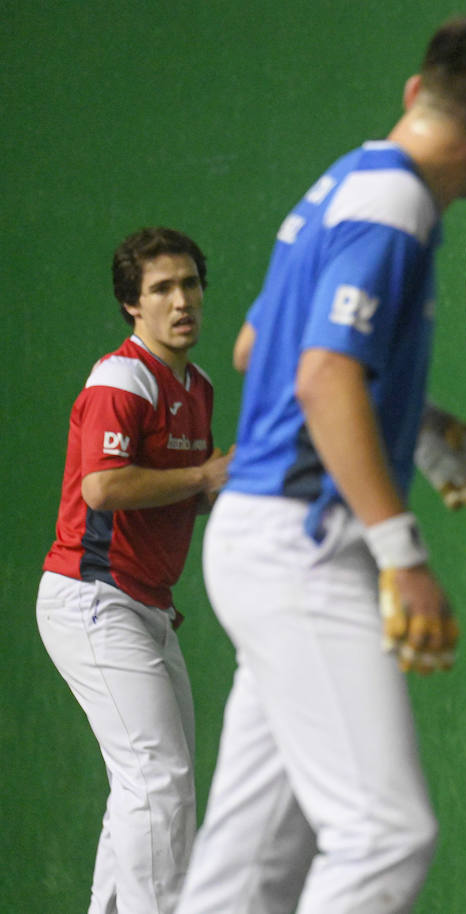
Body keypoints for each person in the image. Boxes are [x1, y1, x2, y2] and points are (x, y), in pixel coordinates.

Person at [175, 17, 466, 914]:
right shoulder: (399, 208)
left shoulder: (344, 181)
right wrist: (402, 552)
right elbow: (323, 373)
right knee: (385, 835)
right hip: (304, 543)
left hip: (254, 539)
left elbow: (261, 345)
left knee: (249, 858)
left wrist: (416, 424)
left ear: (415, 94)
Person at [37, 226, 232, 913]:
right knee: (159, 779)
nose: (182, 301)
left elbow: (191, 490)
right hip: (94, 598)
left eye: (190, 284)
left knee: (145, 783)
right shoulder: (120, 379)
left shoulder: (197, 386)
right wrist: (205, 473)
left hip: (147, 605)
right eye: (162, 289)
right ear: (132, 305)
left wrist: (245, 478)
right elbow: (105, 487)